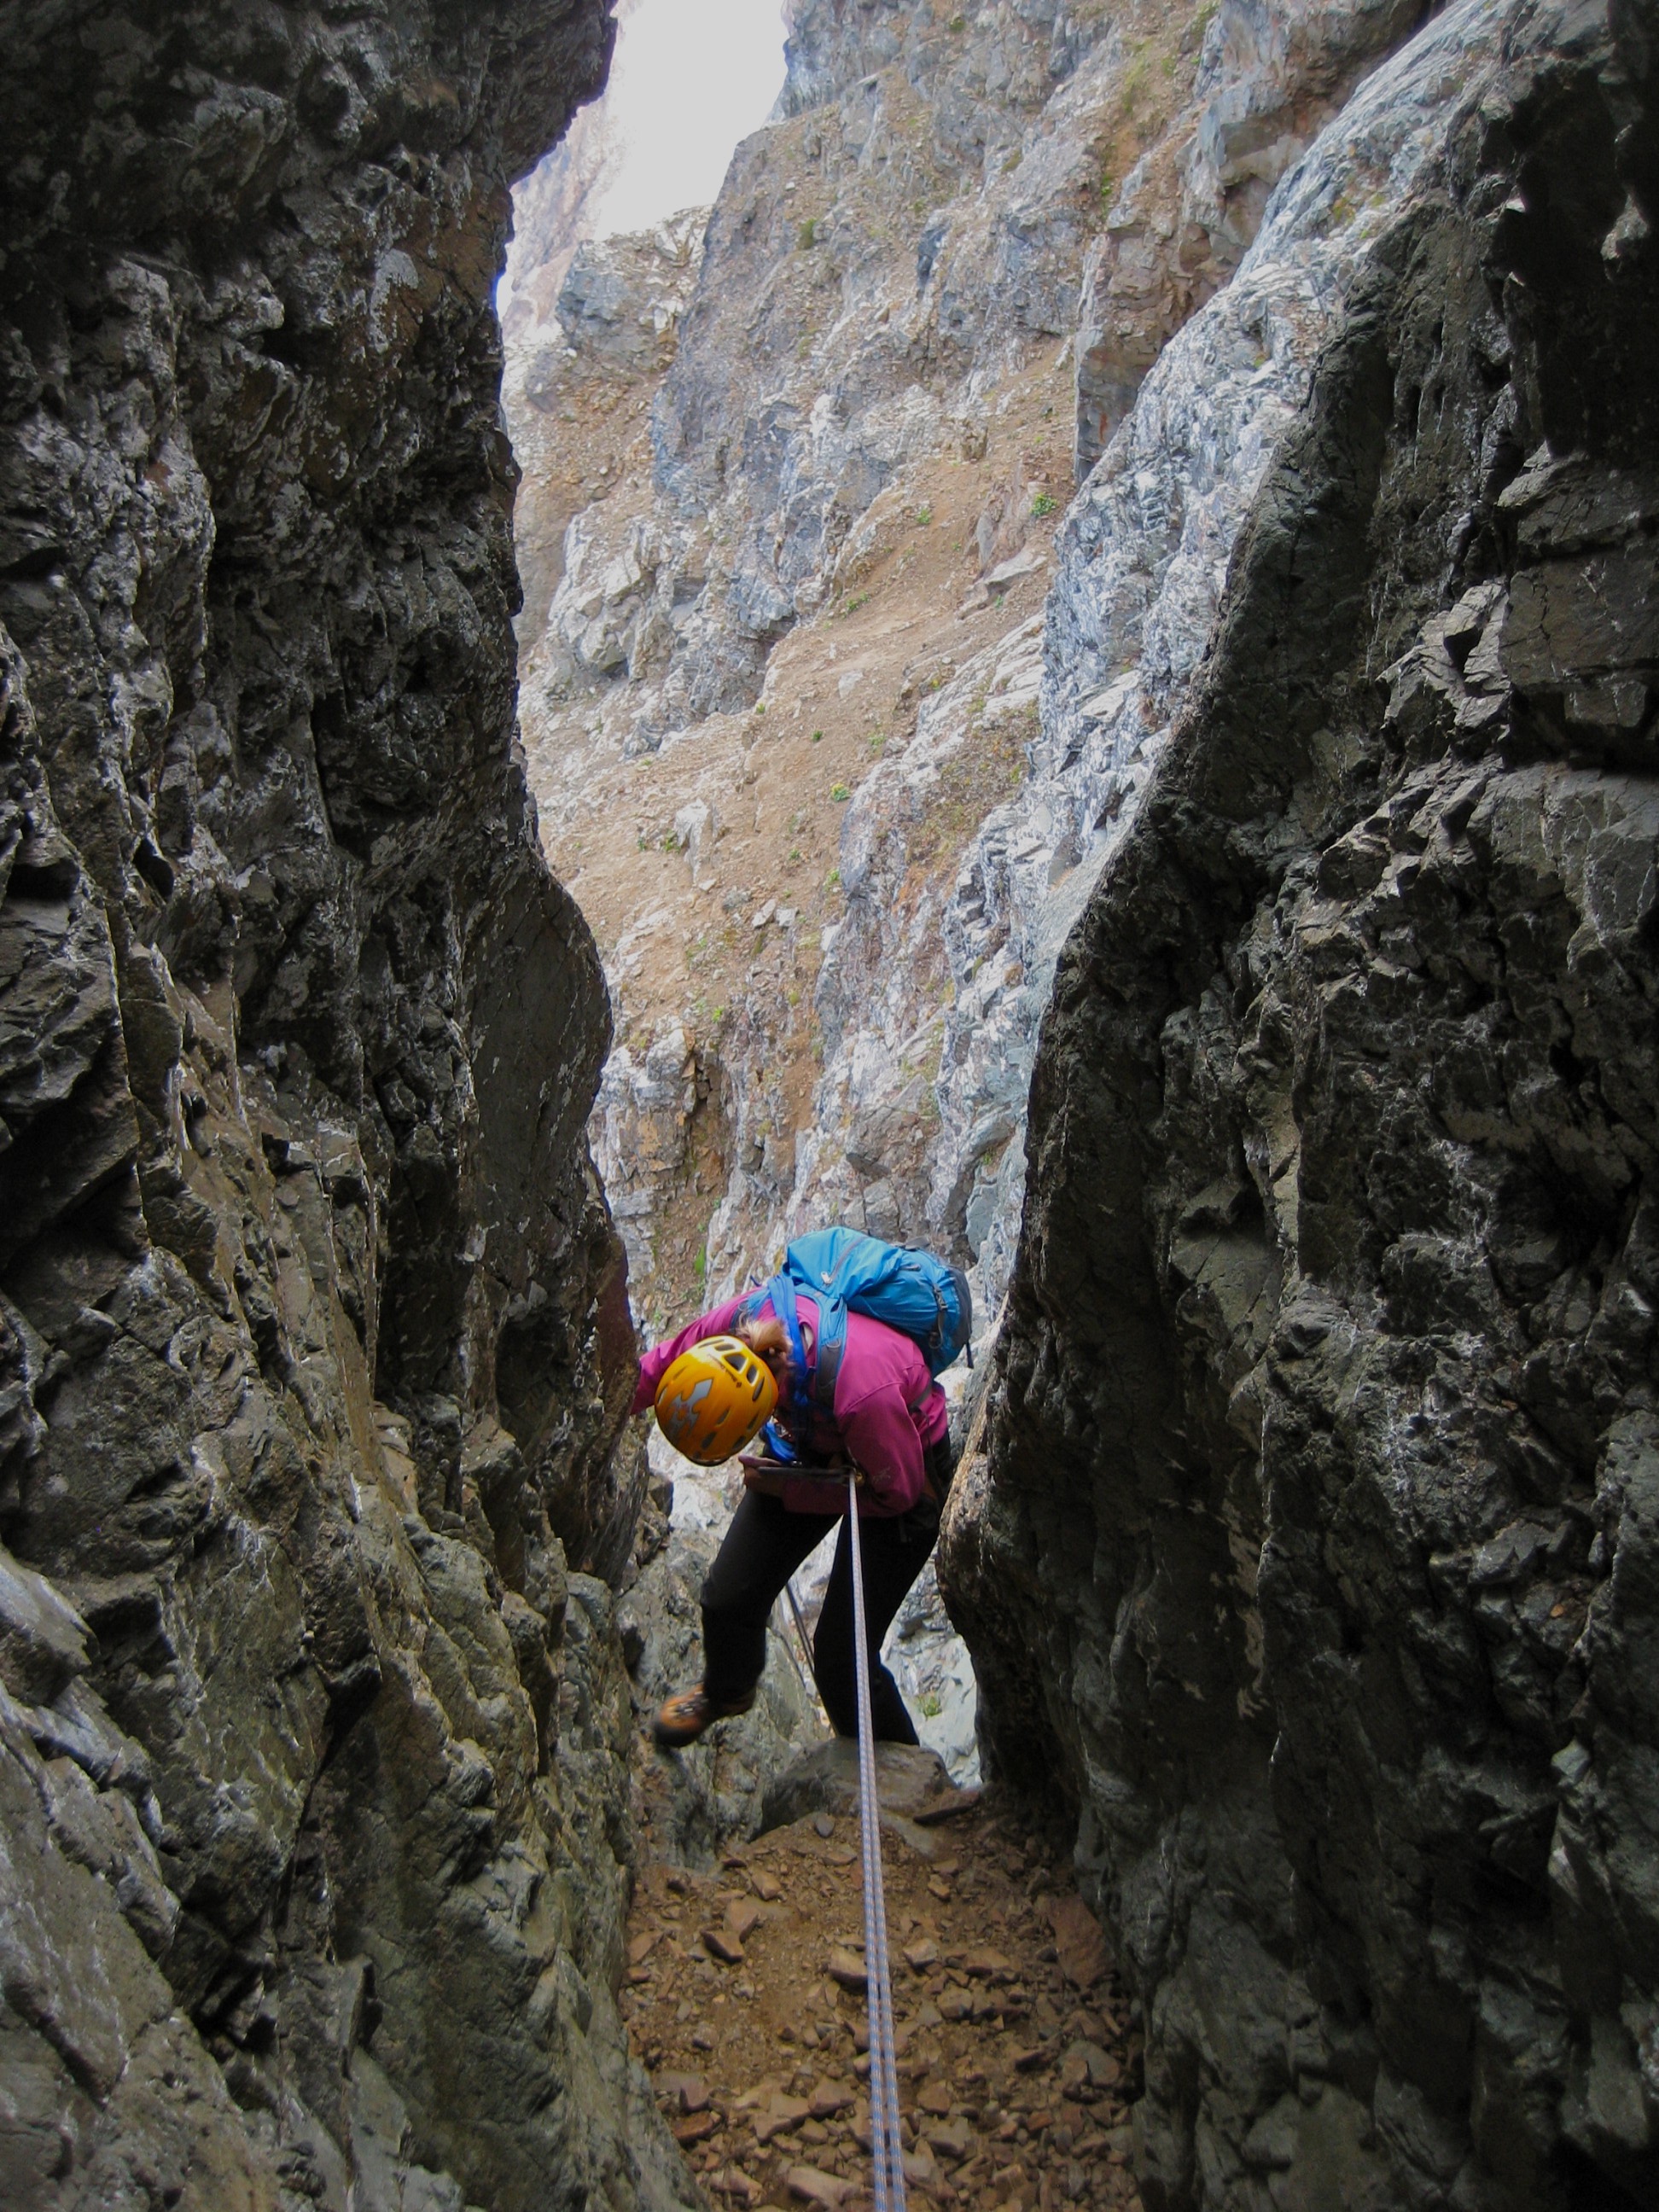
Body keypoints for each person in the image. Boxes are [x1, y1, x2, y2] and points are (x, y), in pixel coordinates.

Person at [635, 1282, 955, 1749]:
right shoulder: (738, 1325)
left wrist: (791, 1488)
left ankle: (905, 1777)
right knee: (727, 1597)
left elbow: (897, 1494)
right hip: (812, 1440)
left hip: (905, 1465)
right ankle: (727, 1692)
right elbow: (664, 1361)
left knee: (842, 1659)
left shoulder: (862, 1391)